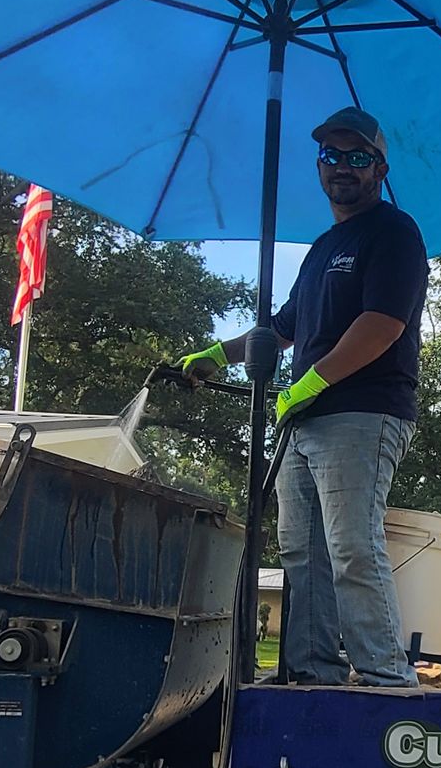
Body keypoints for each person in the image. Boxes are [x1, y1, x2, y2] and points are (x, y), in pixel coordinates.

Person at [178, 107, 428, 688]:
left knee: (350, 545)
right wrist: (217, 355)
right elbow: (284, 326)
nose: (343, 167)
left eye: (357, 157)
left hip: (364, 411)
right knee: (301, 552)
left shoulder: (394, 232)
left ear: (380, 168)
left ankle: (387, 676)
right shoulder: (323, 248)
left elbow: (383, 324)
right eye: (332, 157)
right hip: (305, 420)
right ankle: (313, 670)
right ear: (319, 166)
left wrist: (314, 380)